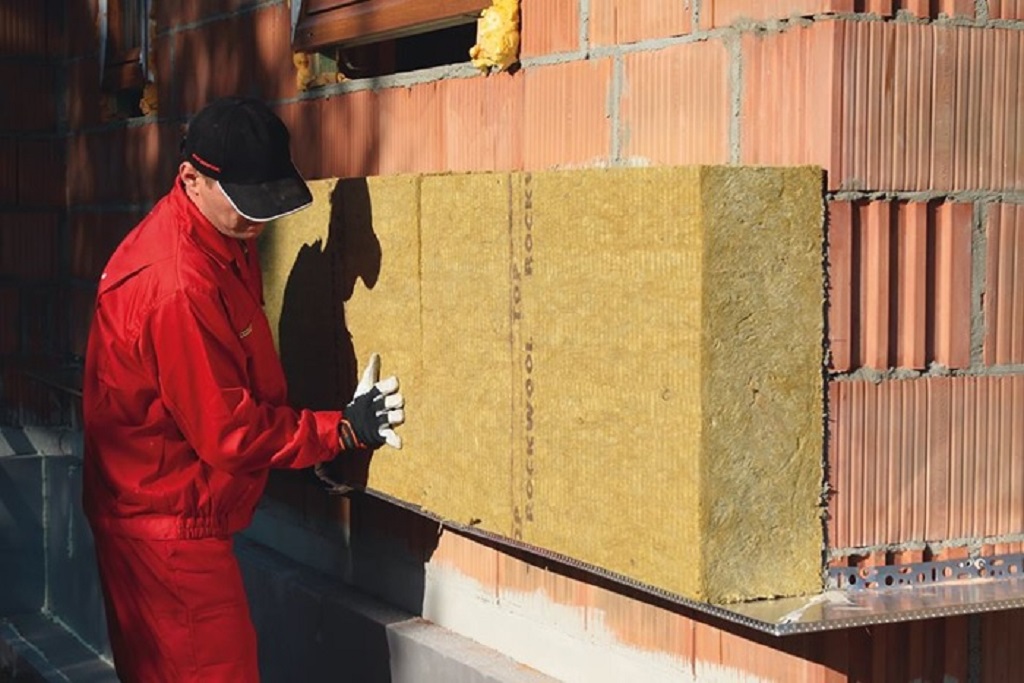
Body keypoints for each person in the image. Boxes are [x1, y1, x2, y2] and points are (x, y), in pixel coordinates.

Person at [81, 96, 405, 682]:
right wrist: (340, 431)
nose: (259, 221)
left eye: (268, 200)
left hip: (163, 512)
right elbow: (228, 431)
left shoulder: (217, 234)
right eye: (246, 203)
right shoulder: (178, 287)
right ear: (191, 179)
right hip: (166, 536)